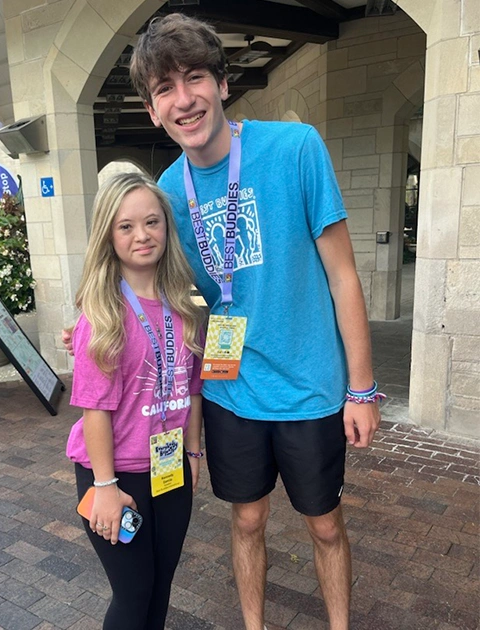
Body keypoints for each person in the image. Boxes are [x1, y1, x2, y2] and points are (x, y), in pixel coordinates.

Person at [132, 14, 381, 630]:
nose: (183, 98)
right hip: (230, 390)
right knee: (246, 519)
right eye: (166, 88)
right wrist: (100, 319)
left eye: (194, 78)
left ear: (221, 83)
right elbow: (170, 294)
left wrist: (362, 388)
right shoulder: (167, 191)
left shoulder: (295, 149)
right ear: (152, 110)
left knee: (324, 523)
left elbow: (344, 276)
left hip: (311, 387)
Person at [68, 172, 206, 629]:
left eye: (151, 222)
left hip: (168, 466)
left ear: (167, 227)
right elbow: (94, 409)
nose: (142, 235)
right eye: (126, 226)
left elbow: (191, 388)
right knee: (133, 593)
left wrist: (192, 451)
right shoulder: (104, 314)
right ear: (109, 235)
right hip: (115, 473)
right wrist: (104, 487)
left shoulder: (183, 306)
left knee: (161, 584)